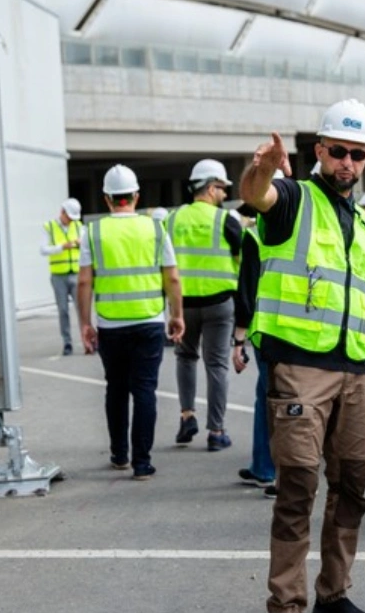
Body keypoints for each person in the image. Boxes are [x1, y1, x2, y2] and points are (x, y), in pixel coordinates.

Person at [241, 98, 365, 613]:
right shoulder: (293, 199)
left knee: (353, 490)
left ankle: (333, 594)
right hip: (299, 372)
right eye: (338, 151)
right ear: (320, 151)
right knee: (296, 491)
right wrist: (263, 165)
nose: (348, 163)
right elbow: (253, 193)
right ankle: (282, 610)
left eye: (358, 155)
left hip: (354, 376)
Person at [77, 165, 184, 481]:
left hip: (111, 325)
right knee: (145, 390)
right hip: (150, 320)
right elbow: (173, 277)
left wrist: (85, 323)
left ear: (107, 198)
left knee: (116, 389)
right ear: (136, 196)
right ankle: (142, 462)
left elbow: (84, 282)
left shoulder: (92, 231)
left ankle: (119, 454)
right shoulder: (156, 229)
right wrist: (176, 315)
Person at [167, 159, 243, 451]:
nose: (224, 195)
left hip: (183, 305)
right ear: (211, 188)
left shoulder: (171, 220)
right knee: (216, 364)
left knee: (185, 358)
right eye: (222, 189)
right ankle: (216, 431)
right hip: (219, 303)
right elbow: (241, 260)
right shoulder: (226, 221)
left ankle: (187, 416)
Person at [233, 187, 277, 498]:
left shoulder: (255, 236)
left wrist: (238, 339)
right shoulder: (302, 230)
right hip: (296, 328)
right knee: (273, 399)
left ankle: (269, 469)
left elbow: (246, 290)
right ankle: (263, 466)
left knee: (270, 400)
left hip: (267, 329)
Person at [41, 198, 82, 355]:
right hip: (59, 276)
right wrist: (61, 247)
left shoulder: (78, 227)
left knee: (82, 309)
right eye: (69, 217)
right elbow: (43, 249)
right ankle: (67, 343)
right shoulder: (49, 227)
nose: (71, 221)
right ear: (62, 212)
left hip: (76, 273)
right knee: (63, 310)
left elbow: (87, 244)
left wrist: (80, 242)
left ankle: (88, 340)